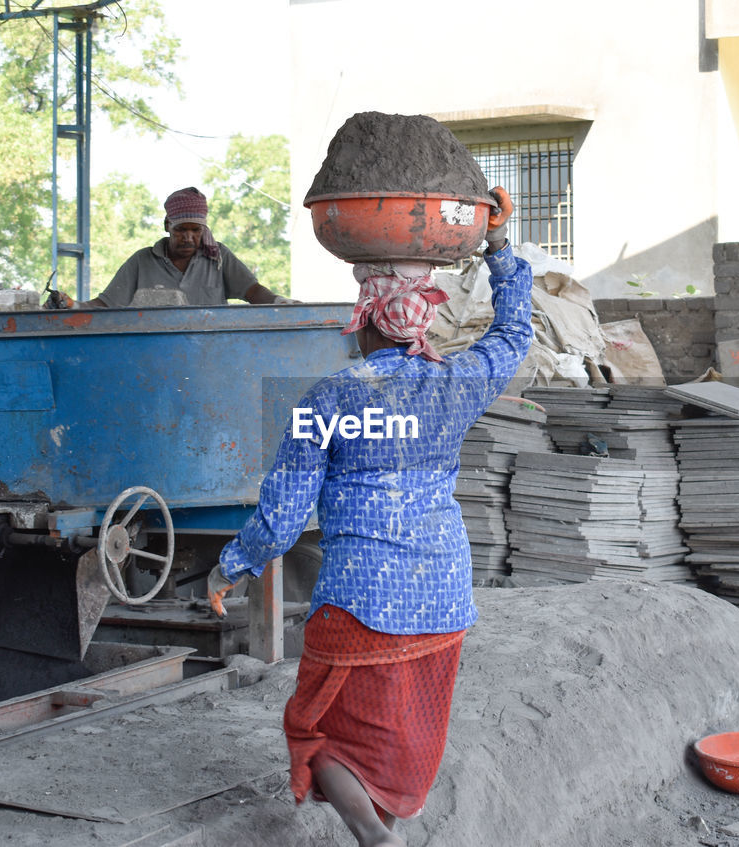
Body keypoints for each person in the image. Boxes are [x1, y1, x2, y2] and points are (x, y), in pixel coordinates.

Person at [207, 188, 529, 847]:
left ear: (368, 322)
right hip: (443, 599)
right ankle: (384, 829)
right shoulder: (457, 383)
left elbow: (282, 517)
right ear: (417, 324)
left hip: (360, 602)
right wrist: (498, 245)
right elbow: (515, 333)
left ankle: (377, 839)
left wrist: (230, 564)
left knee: (314, 729)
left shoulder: (330, 397)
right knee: (397, 731)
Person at [45, 186, 288, 308]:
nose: (189, 237)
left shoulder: (219, 257)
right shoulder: (142, 262)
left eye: (196, 230)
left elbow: (252, 291)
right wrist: (71, 305)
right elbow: (104, 305)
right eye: (181, 230)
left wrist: (281, 303)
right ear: (167, 226)